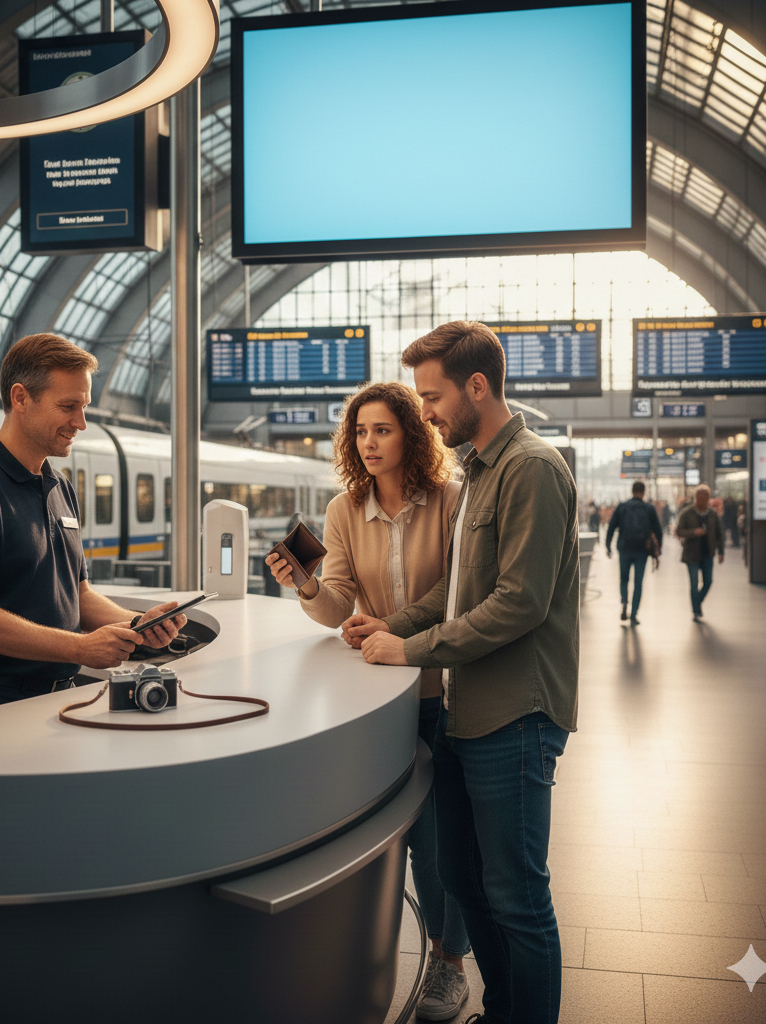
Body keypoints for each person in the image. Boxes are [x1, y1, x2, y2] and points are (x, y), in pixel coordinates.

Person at [340, 321, 579, 1024]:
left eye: (433, 396)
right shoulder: (477, 469)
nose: (426, 413)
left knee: (517, 897)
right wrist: (391, 626)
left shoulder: (529, 467)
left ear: (478, 386)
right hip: (468, 715)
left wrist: (409, 652)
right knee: (470, 887)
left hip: (516, 716)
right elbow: (456, 591)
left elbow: (519, 603)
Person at [265, 380, 471, 1022]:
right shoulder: (343, 510)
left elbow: (461, 597)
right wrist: (304, 585)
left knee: (441, 842)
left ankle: (448, 962)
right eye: (360, 432)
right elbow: (334, 606)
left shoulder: (452, 499)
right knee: (393, 835)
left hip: (444, 689)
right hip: (382, 696)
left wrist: (391, 624)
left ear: (412, 432)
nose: (370, 442)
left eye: (383, 429)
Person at [0, 333, 186, 718]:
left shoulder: (59, 485)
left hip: (55, 697)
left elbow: (76, 595)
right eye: (68, 406)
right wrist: (79, 649)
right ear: (20, 398)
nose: (80, 423)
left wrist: (136, 624)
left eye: (84, 407)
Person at [605, 481, 662, 626]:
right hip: (642, 550)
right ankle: (634, 614)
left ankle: (624, 603)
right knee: (638, 582)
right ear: (643, 492)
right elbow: (658, 530)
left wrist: (608, 544)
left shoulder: (622, 507)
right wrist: (658, 549)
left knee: (624, 579)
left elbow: (611, 526)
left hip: (624, 548)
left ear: (632, 491)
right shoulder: (649, 509)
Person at [675, 483, 725, 621]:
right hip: (691, 553)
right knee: (694, 583)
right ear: (695, 497)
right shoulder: (687, 513)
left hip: (707, 553)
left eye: (705, 497)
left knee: (708, 581)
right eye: (699, 497)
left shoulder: (713, 515)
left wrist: (721, 551)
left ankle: (697, 602)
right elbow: (679, 531)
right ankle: (696, 610)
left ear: (708, 498)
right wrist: (693, 532)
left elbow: (719, 534)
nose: (702, 500)